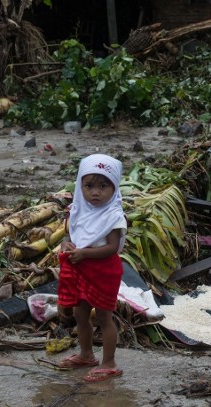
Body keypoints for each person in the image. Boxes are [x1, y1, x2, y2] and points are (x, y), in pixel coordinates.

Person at [56, 154, 127, 383]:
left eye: (103, 186)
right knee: (80, 313)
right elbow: (71, 235)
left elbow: (112, 248)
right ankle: (87, 354)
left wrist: (84, 253)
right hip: (82, 267)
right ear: (80, 185)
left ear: (114, 187)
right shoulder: (78, 210)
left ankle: (109, 363)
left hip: (103, 270)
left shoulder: (114, 216)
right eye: (89, 186)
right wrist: (66, 244)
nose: (95, 192)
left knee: (104, 317)